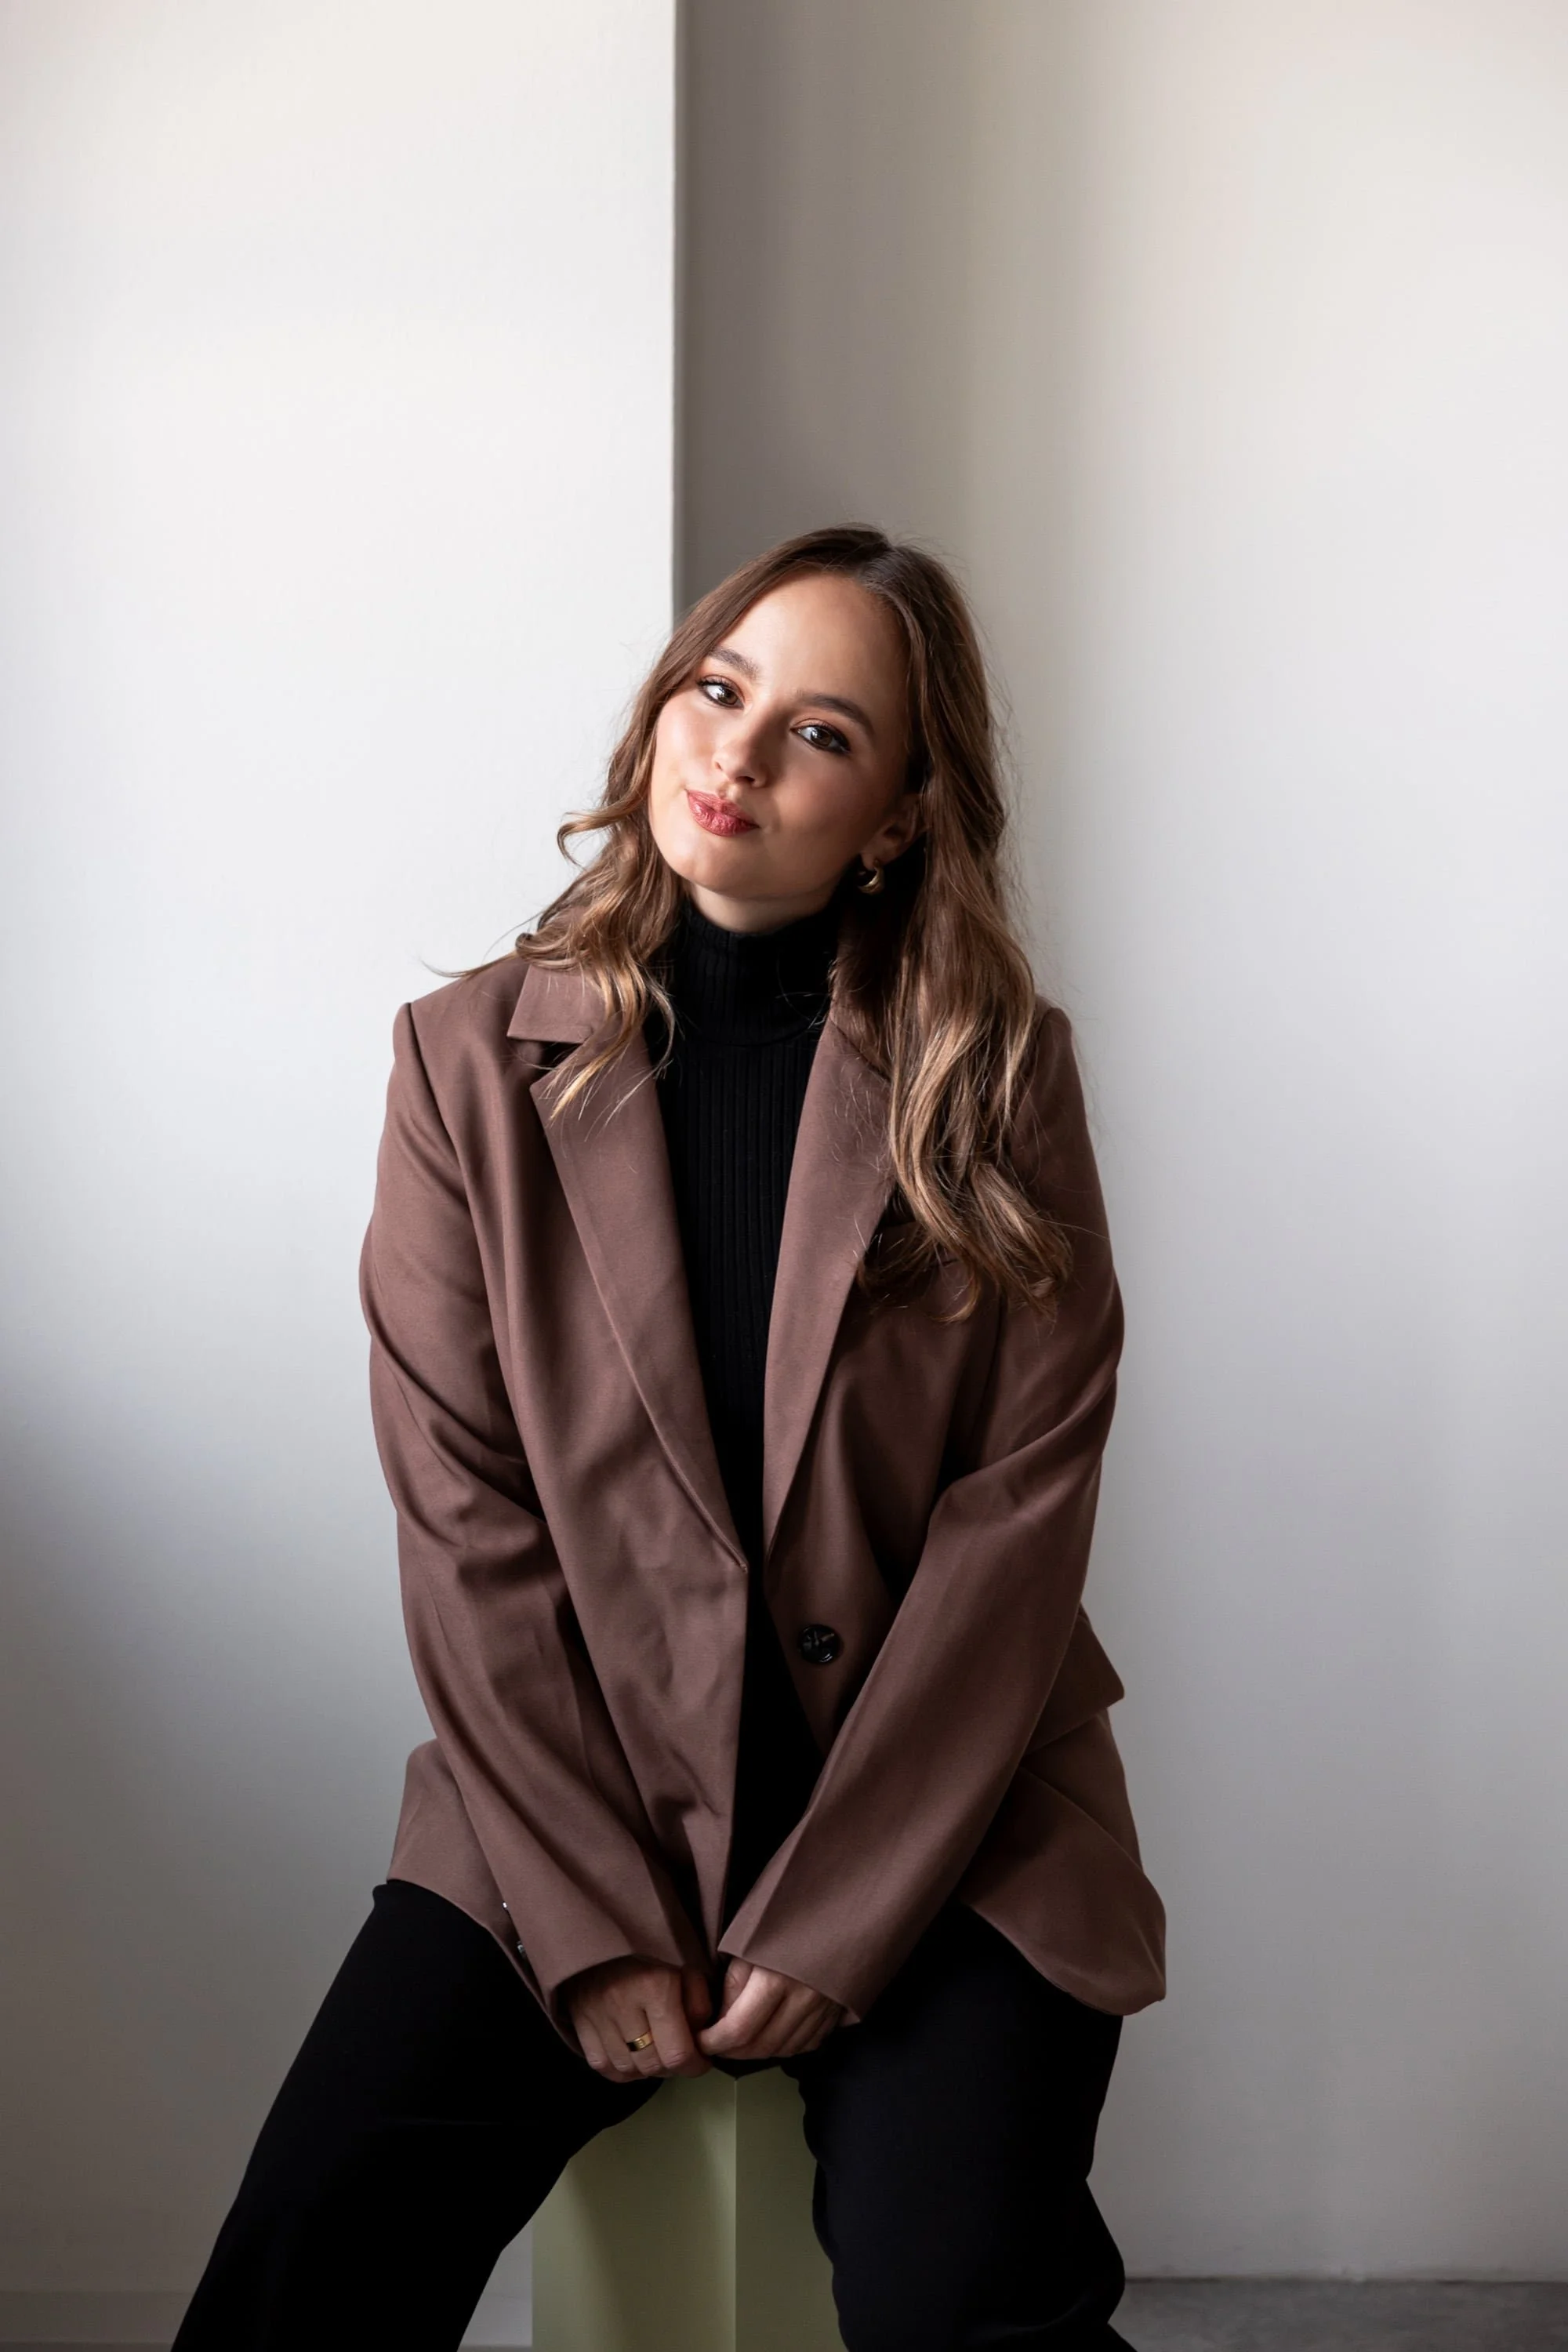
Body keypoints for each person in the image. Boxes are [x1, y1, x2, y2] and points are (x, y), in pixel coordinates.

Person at [172, 525, 1166, 2351]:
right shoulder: (462, 1067)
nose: (738, 752)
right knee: (304, 2261)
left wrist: (844, 1916)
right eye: (720, 691)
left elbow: (1017, 1528)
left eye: (821, 732)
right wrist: (592, 1918)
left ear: (891, 817)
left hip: (943, 1826)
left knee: (967, 2297)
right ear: (658, 717)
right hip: (561, 1809)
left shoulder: (999, 1078)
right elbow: (469, 1529)